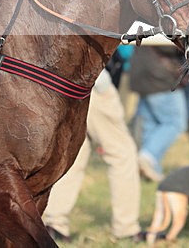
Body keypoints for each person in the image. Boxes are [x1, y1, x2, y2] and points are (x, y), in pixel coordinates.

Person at [42, 65, 144, 243]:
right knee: (123, 154)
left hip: (65, 82)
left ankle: (54, 223)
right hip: (94, 83)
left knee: (75, 155)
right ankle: (126, 228)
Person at [128, 45, 189, 183]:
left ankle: (152, 171)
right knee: (175, 123)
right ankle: (147, 156)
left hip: (141, 73)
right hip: (160, 77)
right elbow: (171, 45)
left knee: (151, 125)